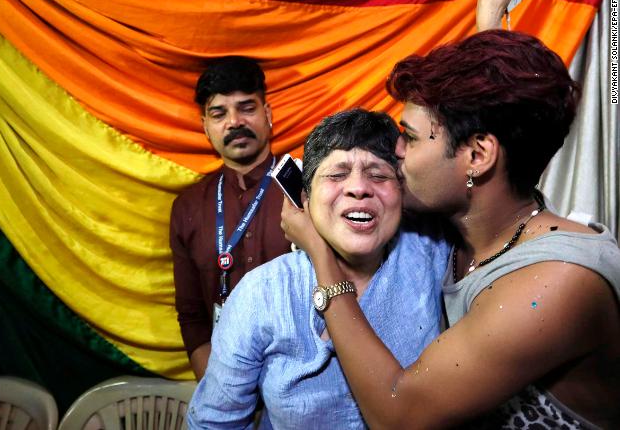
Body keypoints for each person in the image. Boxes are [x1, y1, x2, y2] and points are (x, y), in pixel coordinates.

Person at [282, 30, 620, 429]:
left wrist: (322, 258)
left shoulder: (559, 285)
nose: (397, 151)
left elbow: (398, 414)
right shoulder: (460, 224)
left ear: (478, 155)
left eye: (409, 136)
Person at [188, 109, 451, 428]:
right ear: (304, 199)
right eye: (337, 174)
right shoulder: (262, 293)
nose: (358, 188)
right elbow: (214, 423)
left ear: (402, 192)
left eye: (378, 175)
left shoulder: (436, 257)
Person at [170, 57, 291, 380]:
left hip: (306, 379)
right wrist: (218, 391)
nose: (235, 122)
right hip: (225, 380)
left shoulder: (307, 187)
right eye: (219, 113)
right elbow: (192, 315)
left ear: (268, 115)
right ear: (204, 127)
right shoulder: (188, 207)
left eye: (247, 108)